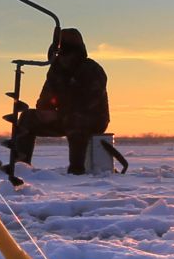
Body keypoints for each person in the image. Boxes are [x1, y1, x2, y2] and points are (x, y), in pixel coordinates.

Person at [9, 27, 110, 173]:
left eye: (65, 53)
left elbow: (90, 103)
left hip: (93, 120)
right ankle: (20, 167)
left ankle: (76, 170)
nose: (62, 58)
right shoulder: (56, 70)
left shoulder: (92, 70)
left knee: (75, 119)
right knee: (27, 117)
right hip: (63, 118)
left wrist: (60, 113)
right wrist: (44, 111)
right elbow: (46, 96)